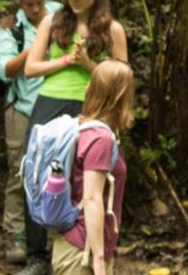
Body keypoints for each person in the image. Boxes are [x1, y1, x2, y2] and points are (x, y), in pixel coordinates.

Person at [15, 0, 127, 275]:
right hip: (50, 103)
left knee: (89, 180)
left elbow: (121, 78)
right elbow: (31, 68)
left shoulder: (112, 30)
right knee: (37, 172)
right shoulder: (53, 21)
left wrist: (89, 64)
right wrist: (66, 60)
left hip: (93, 108)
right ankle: (36, 255)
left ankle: (85, 246)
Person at [0, 0, 59, 263]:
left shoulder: (60, 14)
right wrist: (34, 50)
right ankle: (16, 235)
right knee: (19, 172)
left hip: (57, 105)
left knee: (56, 173)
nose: (35, 9)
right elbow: (4, 69)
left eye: (39, 3)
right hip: (22, 107)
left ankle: (55, 236)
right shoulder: (12, 27)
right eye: (29, 4)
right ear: (20, 2)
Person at [56, 60, 134, 275]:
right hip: (83, 253)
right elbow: (91, 198)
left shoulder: (88, 128)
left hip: (83, 246)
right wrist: (98, 260)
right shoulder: (101, 139)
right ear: (120, 95)